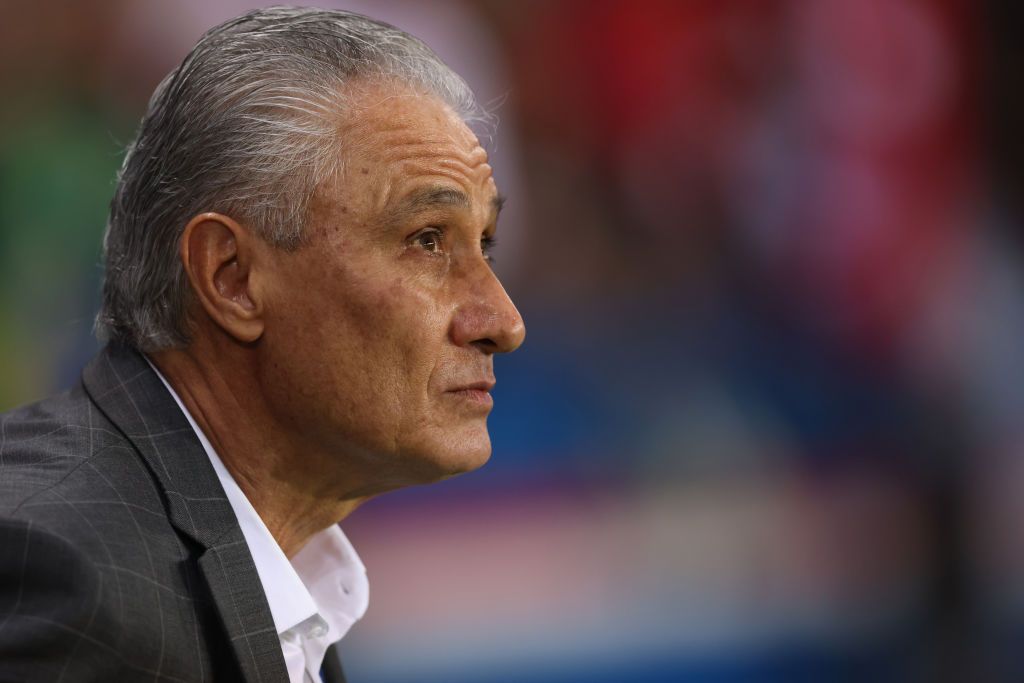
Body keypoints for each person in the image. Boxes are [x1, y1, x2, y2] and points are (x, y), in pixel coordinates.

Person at [0, 6, 525, 682]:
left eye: (483, 245)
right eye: (427, 240)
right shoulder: (73, 576)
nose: (503, 321)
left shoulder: (262, 569)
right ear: (233, 278)